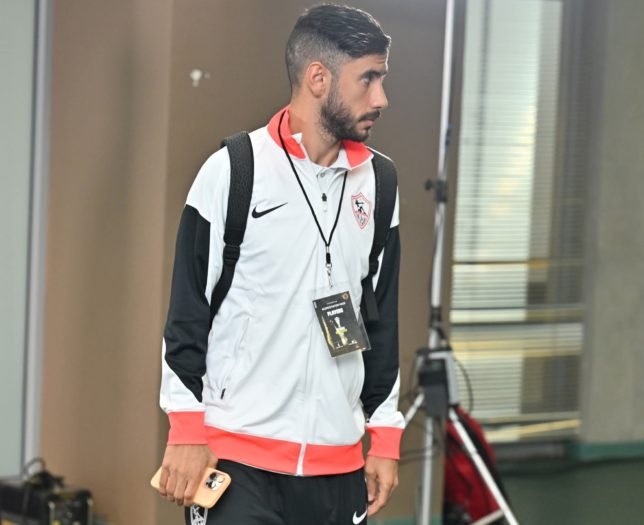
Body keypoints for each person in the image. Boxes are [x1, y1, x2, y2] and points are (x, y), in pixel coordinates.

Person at [157, 4, 405, 524]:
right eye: (368, 79)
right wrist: (185, 428)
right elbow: (187, 313)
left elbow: (382, 320)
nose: (381, 98)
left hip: (338, 467)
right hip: (237, 462)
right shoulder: (233, 171)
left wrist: (384, 435)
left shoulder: (380, 185)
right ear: (318, 78)